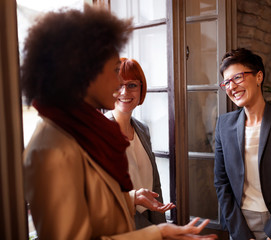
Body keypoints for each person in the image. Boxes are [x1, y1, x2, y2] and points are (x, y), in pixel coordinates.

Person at [21, 5, 217, 240]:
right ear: (84, 72)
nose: (120, 85)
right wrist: (158, 233)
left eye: (131, 83)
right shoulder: (52, 147)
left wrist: (133, 198)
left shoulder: (85, 129)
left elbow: (96, 203)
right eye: (115, 71)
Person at [214, 48, 271, 240]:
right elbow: (221, 183)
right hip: (241, 223)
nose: (231, 87)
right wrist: (241, 234)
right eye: (226, 82)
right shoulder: (224, 125)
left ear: (259, 77)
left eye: (238, 77)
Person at [104, 58, 168, 229]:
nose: (124, 92)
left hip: (150, 219)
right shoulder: (100, 133)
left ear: (141, 89)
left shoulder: (143, 129)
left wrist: (161, 227)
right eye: (118, 85)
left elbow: (155, 184)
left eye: (132, 85)